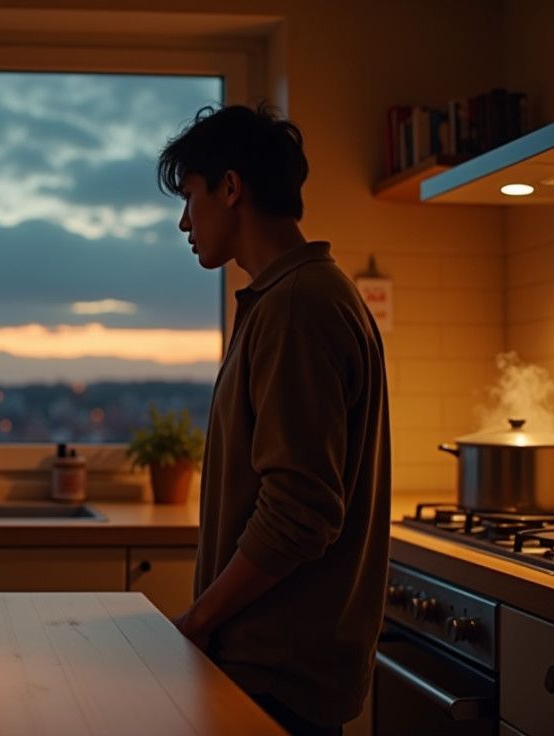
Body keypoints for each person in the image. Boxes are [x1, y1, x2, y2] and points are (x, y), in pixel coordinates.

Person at [157, 104, 390, 736]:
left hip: (278, 670)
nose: (184, 222)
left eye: (190, 196)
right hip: (280, 664)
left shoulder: (297, 307)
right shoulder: (289, 297)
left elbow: (297, 512)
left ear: (231, 188)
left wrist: (198, 620)